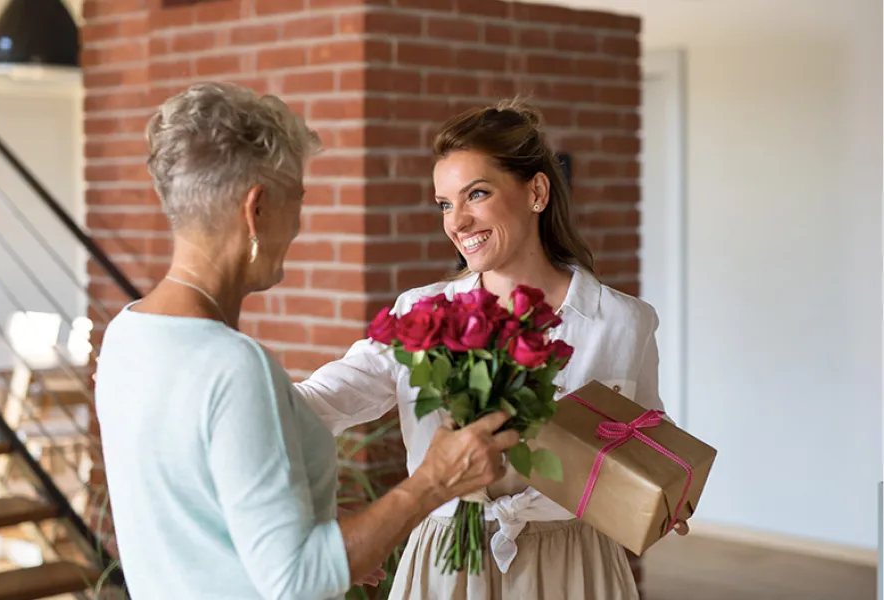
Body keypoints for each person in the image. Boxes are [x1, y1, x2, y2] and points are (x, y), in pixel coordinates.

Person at [93, 83, 519, 600]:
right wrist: (432, 482)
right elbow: (295, 580)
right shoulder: (233, 365)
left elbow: (193, 507)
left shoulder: (126, 333)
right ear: (257, 209)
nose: (298, 225)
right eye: (297, 199)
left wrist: (316, 519)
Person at [294, 99, 688, 600]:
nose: (456, 222)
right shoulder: (422, 314)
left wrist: (671, 490)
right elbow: (319, 403)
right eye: (444, 203)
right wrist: (302, 504)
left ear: (537, 192)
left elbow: (643, 432)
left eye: (475, 194)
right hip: (444, 565)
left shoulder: (625, 321)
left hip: (576, 564)